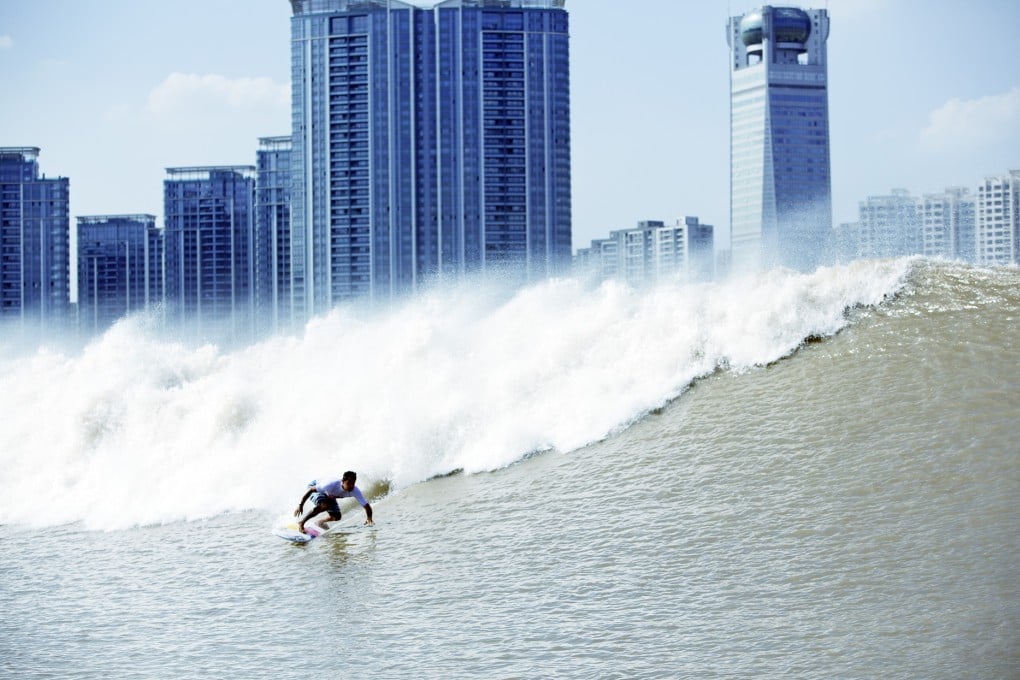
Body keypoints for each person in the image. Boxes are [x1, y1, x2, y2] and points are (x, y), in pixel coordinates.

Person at [294, 470, 374, 534]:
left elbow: (366, 506)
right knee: (325, 505)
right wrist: (300, 505)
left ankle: (319, 522)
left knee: (337, 516)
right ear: (342, 481)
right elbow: (311, 490)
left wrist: (369, 518)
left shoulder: (354, 490)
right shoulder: (330, 485)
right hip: (313, 487)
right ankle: (302, 522)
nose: (351, 486)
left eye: (353, 483)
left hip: (330, 494)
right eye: (348, 483)